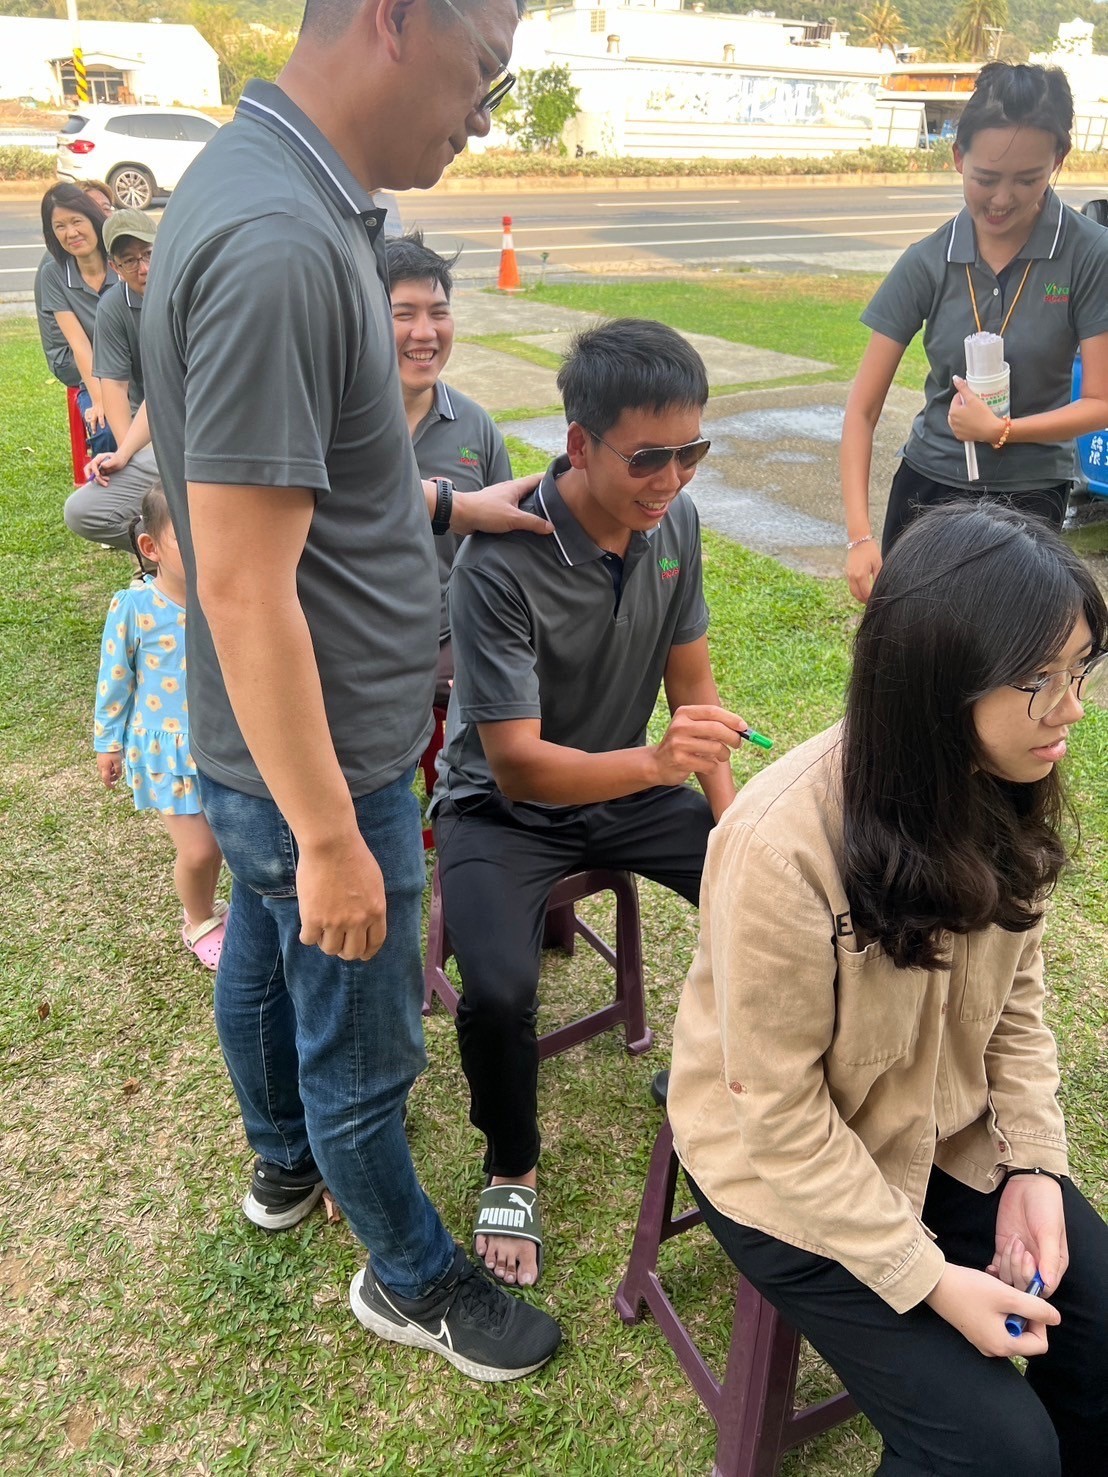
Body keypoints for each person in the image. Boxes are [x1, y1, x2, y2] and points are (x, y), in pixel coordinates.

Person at [140, 0, 563, 1382]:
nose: (484, 115)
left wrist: (445, 506)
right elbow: (241, 580)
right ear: (390, 19)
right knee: (361, 1042)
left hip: (279, 745)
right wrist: (331, 836)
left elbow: (310, 488)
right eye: (483, 71)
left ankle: (281, 1163)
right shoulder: (279, 240)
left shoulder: (277, 186)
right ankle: (412, 1275)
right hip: (326, 757)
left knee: (266, 960)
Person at [669, 503, 1108, 1476]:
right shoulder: (779, 848)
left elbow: (1017, 1003)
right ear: (938, 683)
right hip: (782, 1170)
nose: (1071, 708)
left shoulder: (1004, 783)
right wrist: (928, 1277)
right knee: (996, 1450)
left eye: (1080, 669)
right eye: (1038, 680)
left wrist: (1034, 1168)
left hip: (943, 1128)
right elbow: (779, 1117)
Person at [431, 318, 747, 1288]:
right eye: (648, 457)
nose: (672, 478)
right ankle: (510, 1165)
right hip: (499, 809)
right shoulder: (498, 562)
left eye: (691, 452)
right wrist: (655, 762)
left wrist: (736, 829)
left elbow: (694, 693)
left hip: (624, 781)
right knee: (498, 992)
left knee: (770, 895)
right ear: (579, 443)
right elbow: (519, 766)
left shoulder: (673, 524)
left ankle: (718, 1071)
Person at [841, 63, 1108, 602]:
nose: (1002, 199)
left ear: (1058, 160)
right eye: (986, 178)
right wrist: (860, 536)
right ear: (958, 157)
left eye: (1027, 179)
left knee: (1006, 649)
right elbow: (861, 411)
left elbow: (1100, 403)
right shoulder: (927, 260)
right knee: (913, 648)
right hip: (927, 489)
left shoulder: (1089, 254)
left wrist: (1002, 430)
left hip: (1030, 497)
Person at [94, 484, 228, 970]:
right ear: (150, 547)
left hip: (223, 745)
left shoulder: (226, 598)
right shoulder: (135, 608)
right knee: (199, 850)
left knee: (221, 842)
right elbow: (115, 679)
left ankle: (212, 907)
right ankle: (199, 921)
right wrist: (107, 743)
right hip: (166, 751)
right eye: (190, 536)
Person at [387, 229, 512, 706]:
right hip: (350, 654)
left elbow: (503, 557)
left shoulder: (476, 427)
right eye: (403, 314)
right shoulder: (329, 425)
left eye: (438, 313)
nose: (425, 332)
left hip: (447, 651)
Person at [66, 209, 162, 552]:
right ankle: (167, 555)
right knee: (81, 512)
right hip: (149, 428)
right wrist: (127, 454)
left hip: (205, 433)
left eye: (148, 254)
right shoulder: (113, 307)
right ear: (114, 267)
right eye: (130, 261)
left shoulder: (190, 291)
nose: (143, 268)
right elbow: (115, 389)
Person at [37, 183, 118, 460]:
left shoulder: (122, 260)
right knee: (106, 429)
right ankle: (114, 487)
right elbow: (79, 345)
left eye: (76, 221)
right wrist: (101, 400)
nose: (70, 233)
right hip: (96, 374)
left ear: (93, 219)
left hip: (138, 371)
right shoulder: (53, 274)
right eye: (59, 226)